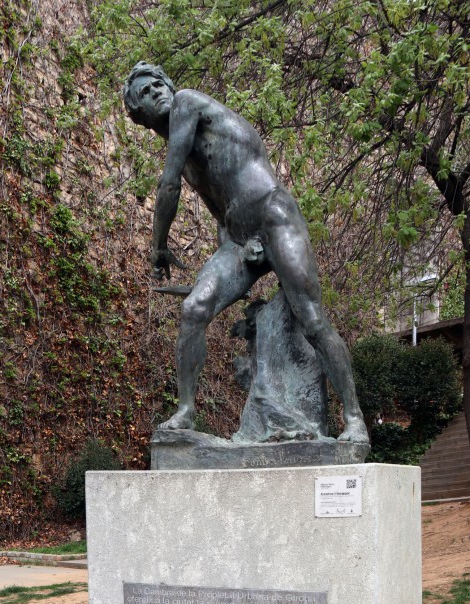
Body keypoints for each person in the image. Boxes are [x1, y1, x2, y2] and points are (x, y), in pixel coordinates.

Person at [123, 61, 368, 443]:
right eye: (146, 93)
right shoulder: (187, 155)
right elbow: (221, 212)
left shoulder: (187, 103)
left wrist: (158, 247)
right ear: (140, 116)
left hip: (275, 217)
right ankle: (186, 411)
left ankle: (354, 419)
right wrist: (233, 248)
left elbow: (167, 186)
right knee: (194, 309)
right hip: (242, 240)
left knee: (312, 320)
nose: (157, 91)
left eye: (158, 84)